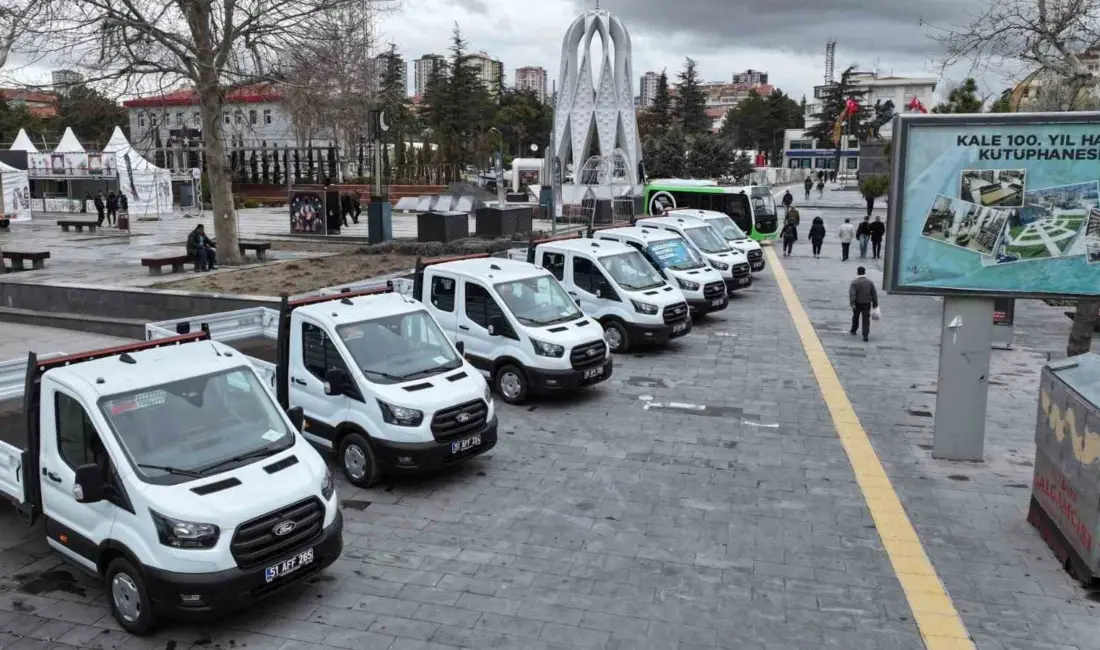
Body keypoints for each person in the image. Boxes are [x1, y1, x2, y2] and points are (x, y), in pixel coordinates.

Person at [849, 266, 879, 342]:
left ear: (857, 272)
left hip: (857, 303)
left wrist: (852, 303)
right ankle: (865, 335)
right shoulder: (870, 282)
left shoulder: (854, 282)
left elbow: (852, 294)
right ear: (864, 272)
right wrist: (875, 304)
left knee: (855, 317)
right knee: (866, 319)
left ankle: (854, 330)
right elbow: (874, 294)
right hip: (867, 303)